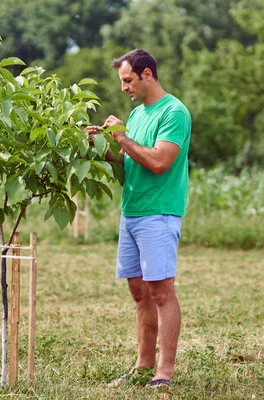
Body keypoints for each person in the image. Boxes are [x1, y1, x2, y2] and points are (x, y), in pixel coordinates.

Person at [86, 49, 191, 388]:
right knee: (139, 293)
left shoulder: (174, 112)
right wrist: (96, 145)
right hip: (131, 211)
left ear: (147, 75)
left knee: (161, 291)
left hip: (159, 213)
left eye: (128, 80)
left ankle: (165, 372)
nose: (124, 88)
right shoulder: (137, 114)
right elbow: (125, 159)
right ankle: (143, 366)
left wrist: (122, 137)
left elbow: (159, 161)